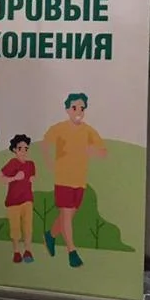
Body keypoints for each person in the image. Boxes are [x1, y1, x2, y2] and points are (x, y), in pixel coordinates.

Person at [42, 92, 106, 268]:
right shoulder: (59, 128)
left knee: (67, 215)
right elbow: (45, 143)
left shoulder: (88, 131)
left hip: (80, 181)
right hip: (63, 179)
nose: (78, 111)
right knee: (66, 215)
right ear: (67, 109)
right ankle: (72, 252)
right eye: (74, 108)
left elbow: (103, 151)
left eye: (82, 108)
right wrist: (49, 162)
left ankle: (50, 235)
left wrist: (92, 151)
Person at [1, 134, 37, 264]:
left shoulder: (31, 164)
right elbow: (2, 178)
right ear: (15, 149)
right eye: (20, 148)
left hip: (27, 199)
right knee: (15, 227)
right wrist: (14, 178)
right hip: (13, 201)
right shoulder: (13, 163)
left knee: (28, 226)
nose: (23, 151)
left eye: (26, 148)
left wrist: (32, 178)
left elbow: (33, 176)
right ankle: (16, 251)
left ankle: (28, 250)